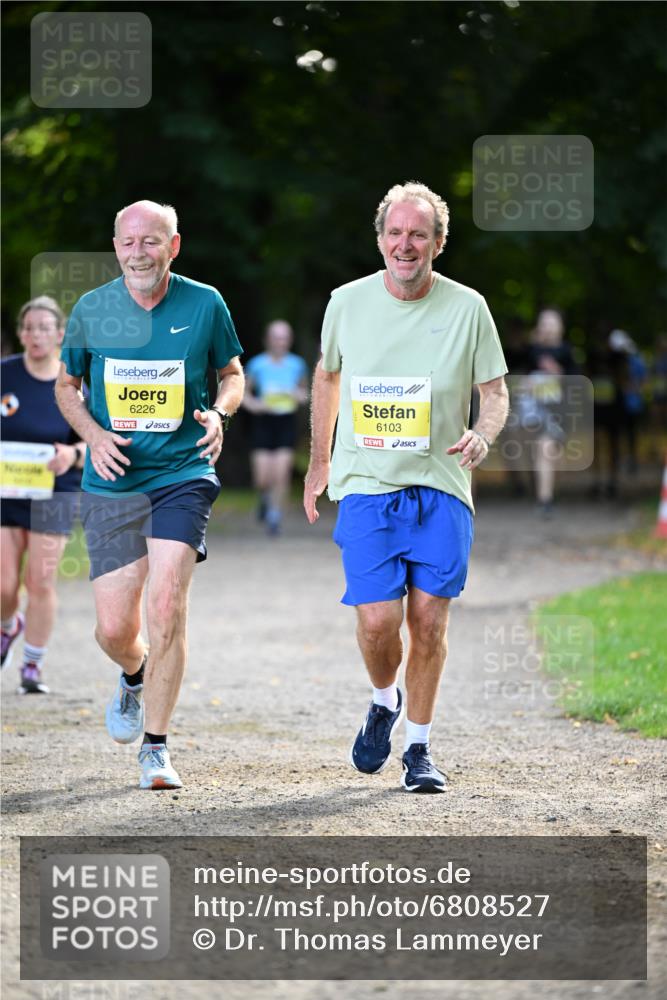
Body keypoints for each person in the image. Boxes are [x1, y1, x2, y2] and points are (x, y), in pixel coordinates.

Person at [304, 181, 508, 793]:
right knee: (376, 621)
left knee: (428, 622)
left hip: (442, 484)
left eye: (419, 233)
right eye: (395, 233)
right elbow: (327, 379)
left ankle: (417, 749)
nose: (405, 244)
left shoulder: (469, 307)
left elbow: (494, 394)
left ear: (439, 243)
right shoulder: (347, 302)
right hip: (367, 484)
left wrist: (482, 434)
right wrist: (320, 463)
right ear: (380, 239)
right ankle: (382, 698)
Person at [55, 200, 243, 790]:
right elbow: (68, 384)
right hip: (111, 479)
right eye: (128, 242)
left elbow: (233, 374)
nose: (139, 252)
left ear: (174, 245)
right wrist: (90, 435)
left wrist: (218, 413)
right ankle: (134, 673)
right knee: (114, 629)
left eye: (151, 241)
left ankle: (156, 748)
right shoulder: (92, 309)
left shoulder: (205, 303)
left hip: (182, 473)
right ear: (115, 247)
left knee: (166, 605)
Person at [1, 296, 86, 693]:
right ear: (20, 334)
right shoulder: (5, 375)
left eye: (43, 328)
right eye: (28, 328)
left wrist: (73, 453)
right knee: (3, 587)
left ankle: (32, 666)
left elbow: (99, 441)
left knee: (40, 582)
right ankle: (8, 624)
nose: (35, 335)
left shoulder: (73, 383)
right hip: (5, 491)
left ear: (60, 334)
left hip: (55, 491)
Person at [242, 320, 308, 535]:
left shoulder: (297, 364)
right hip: (263, 422)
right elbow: (244, 395)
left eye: (284, 337)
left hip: (286, 422)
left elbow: (304, 394)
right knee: (262, 477)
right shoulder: (257, 364)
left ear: (289, 340)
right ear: (267, 339)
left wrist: (297, 396)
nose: (280, 341)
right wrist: (256, 405)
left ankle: (274, 516)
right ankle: (264, 498)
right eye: (276, 337)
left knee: (281, 474)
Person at [517, 308, 576, 518]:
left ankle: (546, 495)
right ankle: (544, 498)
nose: (548, 327)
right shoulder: (532, 351)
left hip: (559, 414)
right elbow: (520, 377)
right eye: (544, 322)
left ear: (561, 327)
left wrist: (557, 373)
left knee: (549, 452)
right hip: (534, 412)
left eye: (552, 322)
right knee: (540, 450)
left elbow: (576, 384)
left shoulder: (567, 352)